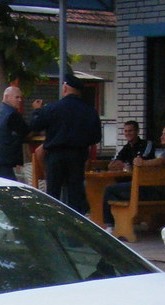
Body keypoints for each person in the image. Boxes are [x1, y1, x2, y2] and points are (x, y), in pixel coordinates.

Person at [27, 73, 102, 214]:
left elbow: (35, 125)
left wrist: (37, 110)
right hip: (78, 156)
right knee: (76, 192)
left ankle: (53, 220)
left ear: (65, 88)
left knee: (53, 194)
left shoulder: (53, 108)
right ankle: (77, 220)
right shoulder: (89, 110)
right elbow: (96, 137)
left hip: (56, 156)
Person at [100, 124, 165, 233]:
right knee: (119, 189)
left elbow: (160, 161)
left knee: (109, 189)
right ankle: (126, 222)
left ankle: (111, 225)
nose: (162, 137)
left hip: (159, 192)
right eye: (162, 134)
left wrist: (142, 163)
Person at [0, 86, 42, 180]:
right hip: (0, 163)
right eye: (17, 97)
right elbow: (28, 133)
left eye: (21, 97)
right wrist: (37, 111)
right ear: (6, 97)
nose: (20, 100)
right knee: (10, 187)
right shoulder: (12, 114)